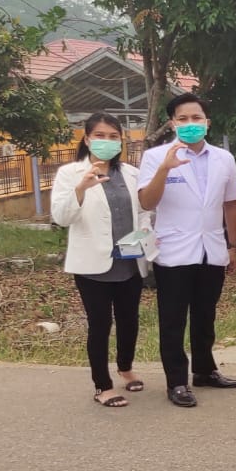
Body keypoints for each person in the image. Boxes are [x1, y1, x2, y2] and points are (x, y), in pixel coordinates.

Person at [138, 93, 236, 407]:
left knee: (205, 315)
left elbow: (231, 204)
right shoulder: (156, 157)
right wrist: (165, 170)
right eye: (182, 119)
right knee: (172, 319)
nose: (190, 124)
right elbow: (146, 202)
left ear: (207, 123)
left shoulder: (223, 158)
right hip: (174, 250)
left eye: (196, 118)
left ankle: (205, 370)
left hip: (212, 249)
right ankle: (176, 382)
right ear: (172, 123)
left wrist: (233, 246)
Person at [51, 112, 153, 408]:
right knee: (100, 324)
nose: (107, 142)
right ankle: (102, 385)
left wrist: (144, 231)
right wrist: (81, 188)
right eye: (100, 136)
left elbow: (144, 210)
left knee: (129, 320)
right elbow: (61, 217)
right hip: (92, 265)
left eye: (113, 136)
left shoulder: (131, 174)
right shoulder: (70, 174)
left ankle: (125, 366)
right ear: (86, 139)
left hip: (129, 260)